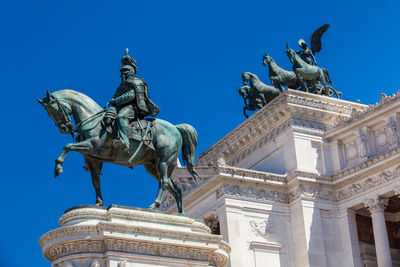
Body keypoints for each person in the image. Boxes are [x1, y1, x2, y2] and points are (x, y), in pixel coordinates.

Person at [105, 49, 160, 150]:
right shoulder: (121, 86)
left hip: (133, 107)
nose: (122, 74)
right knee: (106, 117)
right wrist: (112, 104)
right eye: (122, 72)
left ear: (130, 72)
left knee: (121, 117)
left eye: (125, 71)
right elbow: (115, 97)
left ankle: (124, 141)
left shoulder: (136, 81)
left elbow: (131, 95)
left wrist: (115, 101)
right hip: (118, 107)